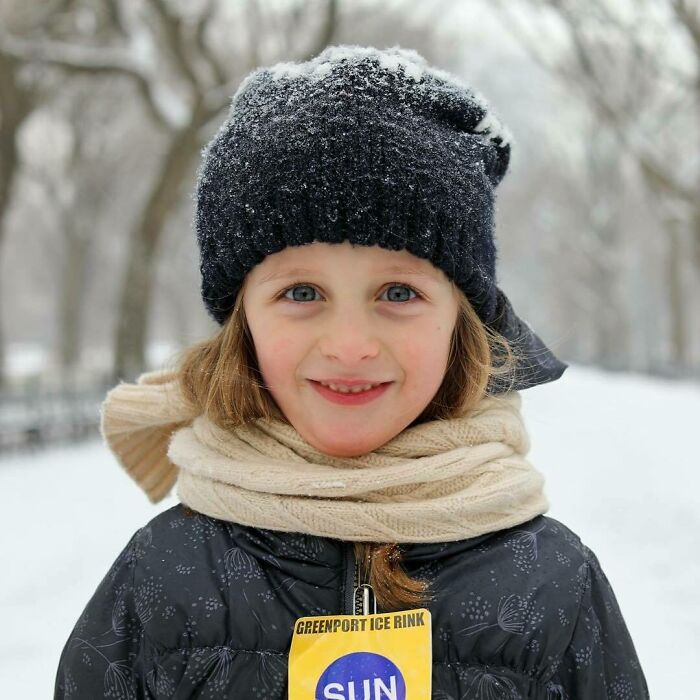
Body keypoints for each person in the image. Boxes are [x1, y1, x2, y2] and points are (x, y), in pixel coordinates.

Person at [54, 44, 649, 699]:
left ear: (463, 321)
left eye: (398, 294)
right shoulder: (162, 579)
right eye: (301, 293)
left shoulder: (554, 587)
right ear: (243, 323)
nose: (349, 345)